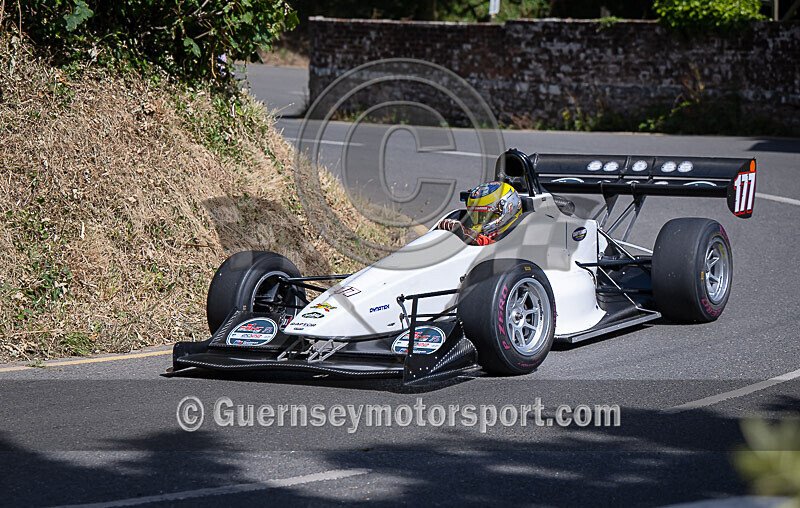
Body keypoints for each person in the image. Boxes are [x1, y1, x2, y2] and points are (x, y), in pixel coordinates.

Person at [437, 181, 523, 246]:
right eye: (474, 215)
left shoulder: (523, 237)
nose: (477, 223)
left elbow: (500, 250)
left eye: (484, 216)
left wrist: (475, 239)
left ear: (507, 210)